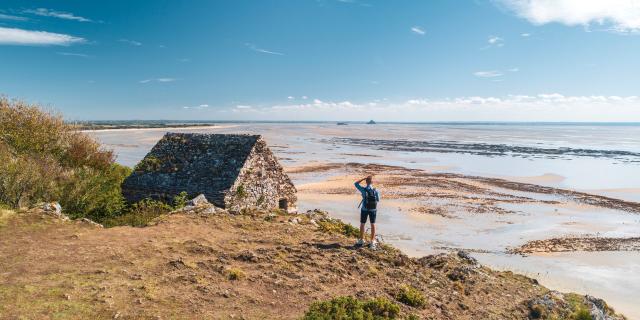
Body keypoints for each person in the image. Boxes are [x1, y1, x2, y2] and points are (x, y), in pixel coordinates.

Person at [354, 175, 380, 249]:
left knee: (362, 224)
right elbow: (378, 200)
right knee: (373, 224)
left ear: (366, 182)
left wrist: (363, 178)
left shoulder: (363, 190)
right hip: (373, 210)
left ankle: (361, 240)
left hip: (364, 209)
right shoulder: (375, 190)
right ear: (372, 182)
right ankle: (372, 241)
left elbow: (356, 184)